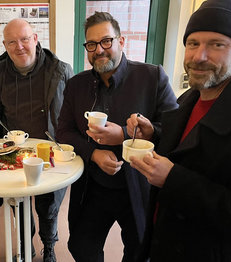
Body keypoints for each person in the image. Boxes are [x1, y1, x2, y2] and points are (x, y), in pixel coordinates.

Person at [126, 1, 231, 261]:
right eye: (193, 43)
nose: (199, 56)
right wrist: (154, 134)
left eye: (216, 44)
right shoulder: (191, 97)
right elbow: (192, 149)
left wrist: (173, 179)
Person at [56, 11, 178, 262]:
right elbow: (63, 132)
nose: (99, 50)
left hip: (139, 185)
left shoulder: (152, 77)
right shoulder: (76, 85)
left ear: (121, 42)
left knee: (140, 250)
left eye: (106, 41)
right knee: (81, 246)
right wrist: (94, 153)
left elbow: (174, 132)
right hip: (92, 186)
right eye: (91, 44)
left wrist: (123, 135)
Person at [0, 18, 73, 262]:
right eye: (12, 42)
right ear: (5, 45)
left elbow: (71, 111)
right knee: (18, 204)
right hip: (12, 153)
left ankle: (49, 246)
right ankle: (24, 243)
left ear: (35, 39)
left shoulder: (59, 70)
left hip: (48, 152)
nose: (19, 46)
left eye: (24, 39)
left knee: (49, 206)